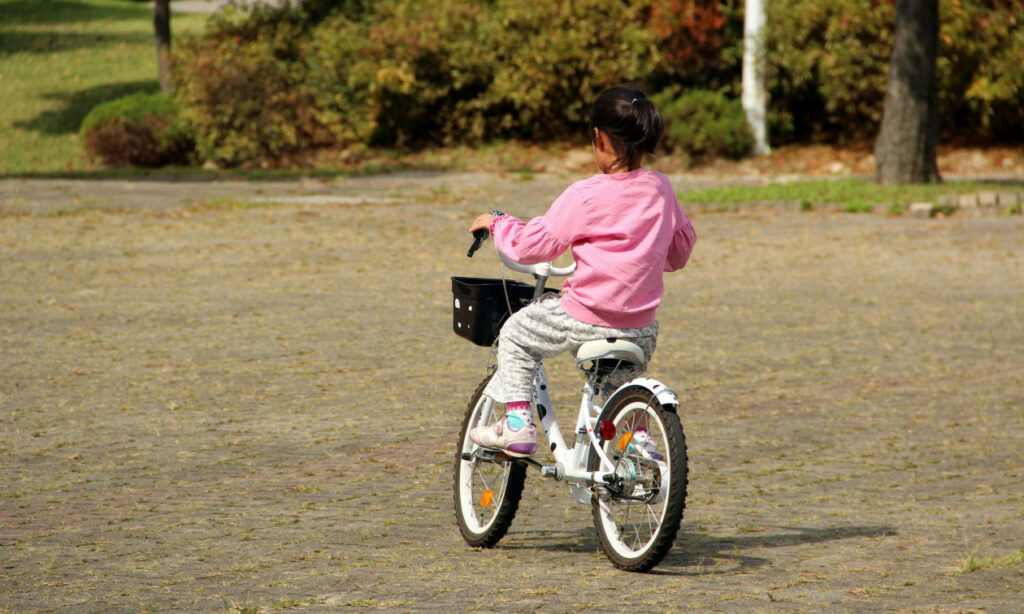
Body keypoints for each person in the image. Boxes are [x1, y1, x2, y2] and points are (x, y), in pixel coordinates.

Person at [467, 85, 697, 457]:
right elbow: (680, 252)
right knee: (617, 383)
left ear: (599, 138)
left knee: (515, 335)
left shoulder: (585, 194)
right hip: (641, 329)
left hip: (585, 318)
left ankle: (517, 426)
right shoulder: (661, 189)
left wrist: (500, 226)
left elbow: (531, 246)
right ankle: (637, 443)